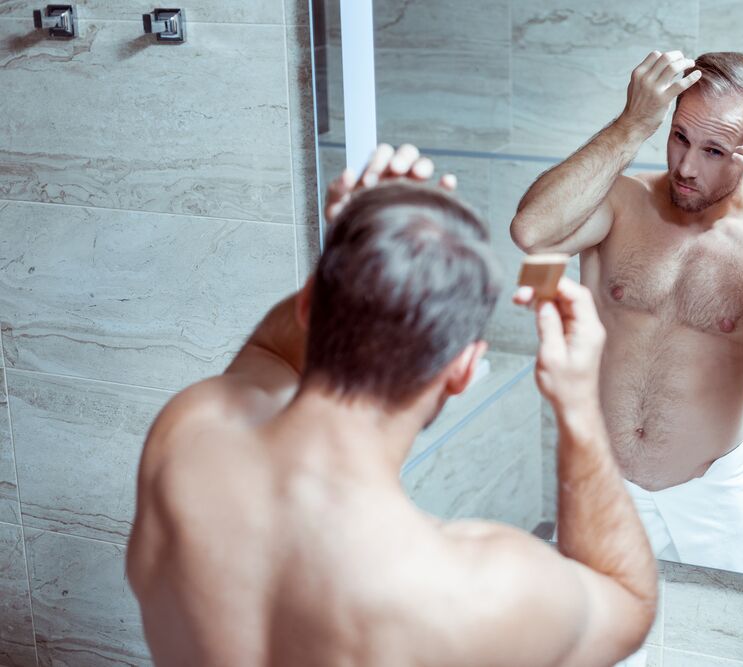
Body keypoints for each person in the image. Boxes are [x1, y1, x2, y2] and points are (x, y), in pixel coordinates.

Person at [126, 145, 658, 667]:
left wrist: (352, 248)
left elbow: (268, 350)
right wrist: (578, 405)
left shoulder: (188, 436)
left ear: (310, 301)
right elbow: (629, 601)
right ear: (463, 371)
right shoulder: (470, 589)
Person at [510, 51, 743, 574]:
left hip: (708, 499)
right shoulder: (622, 202)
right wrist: (632, 123)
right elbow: (531, 232)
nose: (686, 167)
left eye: (713, 150)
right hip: (602, 480)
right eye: (679, 136)